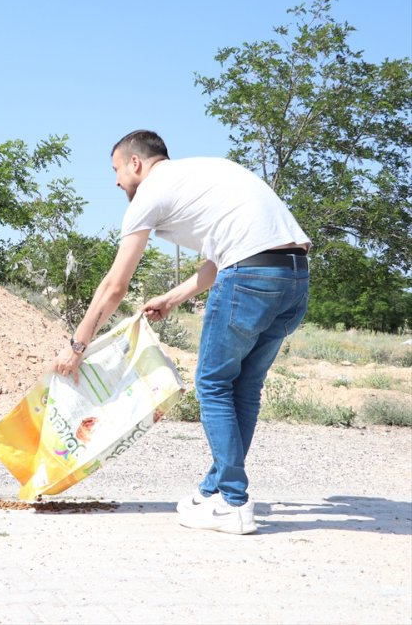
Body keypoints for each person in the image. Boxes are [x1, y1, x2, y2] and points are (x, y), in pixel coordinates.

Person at [52, 129, 310, 535]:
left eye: (116, 170)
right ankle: (214, 490)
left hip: (249, 276)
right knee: (241, 388)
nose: (116, 181)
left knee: (212, 384)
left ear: (135, 163)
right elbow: (223, 257)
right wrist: (172, 298)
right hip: (294, 277)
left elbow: (115, 285)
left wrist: (77, 344)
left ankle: (233, 502)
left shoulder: (151, 192)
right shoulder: (207, 172)